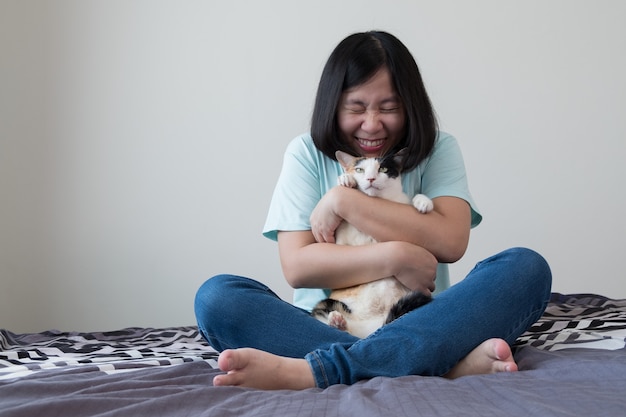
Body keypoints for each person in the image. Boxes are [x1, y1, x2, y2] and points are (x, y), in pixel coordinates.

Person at [194, 30, 552, 390]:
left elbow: (451, 240)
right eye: (356, 107)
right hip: (331, 323)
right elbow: (299, 267)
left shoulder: (439, 149)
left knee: (526, 268)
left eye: (389, 107)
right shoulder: (304, 153)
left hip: (417, 317)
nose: (371, 124)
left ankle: (315, 370)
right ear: (333, 106)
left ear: (410, 106)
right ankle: (438, 367)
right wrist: (396, 256)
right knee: (217, 298)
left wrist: (343, 201)